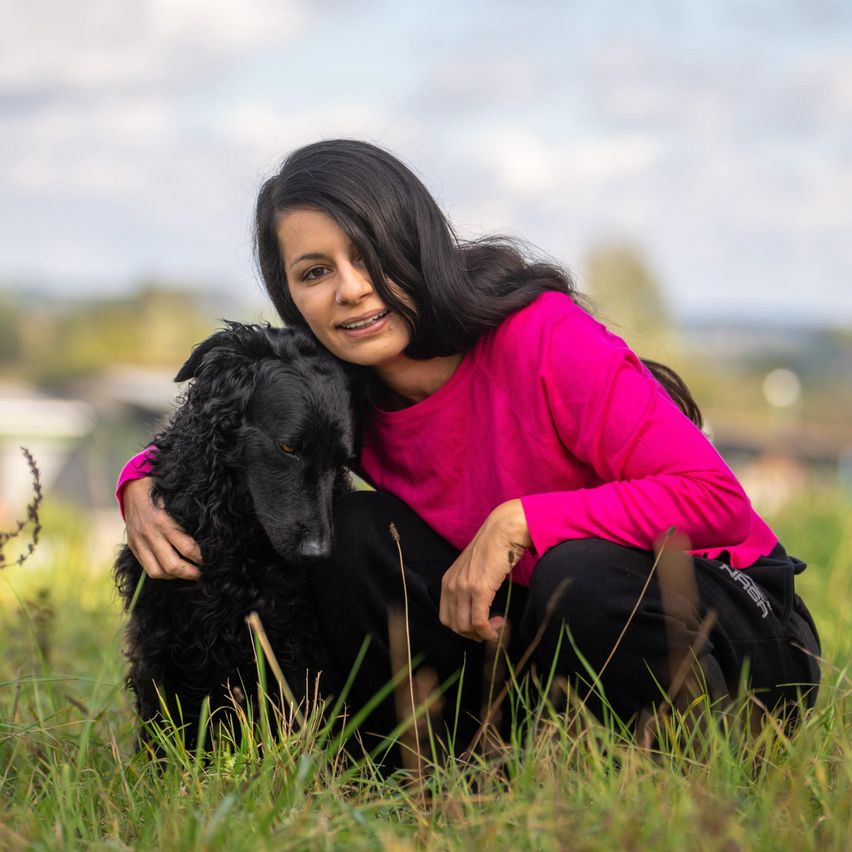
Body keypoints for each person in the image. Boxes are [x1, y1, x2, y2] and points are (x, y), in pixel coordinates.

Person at [118, 139, 821, 760]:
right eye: (314, 272)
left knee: (578, 575)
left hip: (737, 627)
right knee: (357, 538)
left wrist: (521, 523)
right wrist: (139, 483)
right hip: (528, 634)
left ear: (413, 242)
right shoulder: (342, 390)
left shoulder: (542, 337)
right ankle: (444, 765)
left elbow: (718, 502)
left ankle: (686, 765)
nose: (352, 290)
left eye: (366, 255)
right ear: (291, 294)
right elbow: (238, 429)